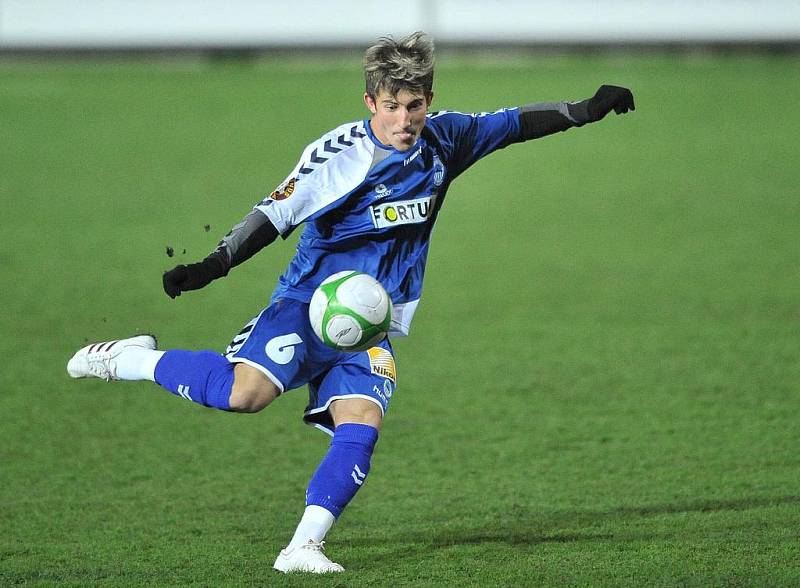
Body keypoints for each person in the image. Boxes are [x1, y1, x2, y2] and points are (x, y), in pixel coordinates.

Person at [67, 31, 635, 573]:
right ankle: (131, 359)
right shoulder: (341, 155)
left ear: (429, 101)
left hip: (367, 324)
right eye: (391, 105)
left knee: (362, 419)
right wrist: (213, 265)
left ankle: (302, 547)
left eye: (414, 105)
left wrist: (585, 108)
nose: (404, 119)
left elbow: (513, 124)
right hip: (307, 304)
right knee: (246, 395)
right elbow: (274, 214)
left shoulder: (447, 138)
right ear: (370, 101)